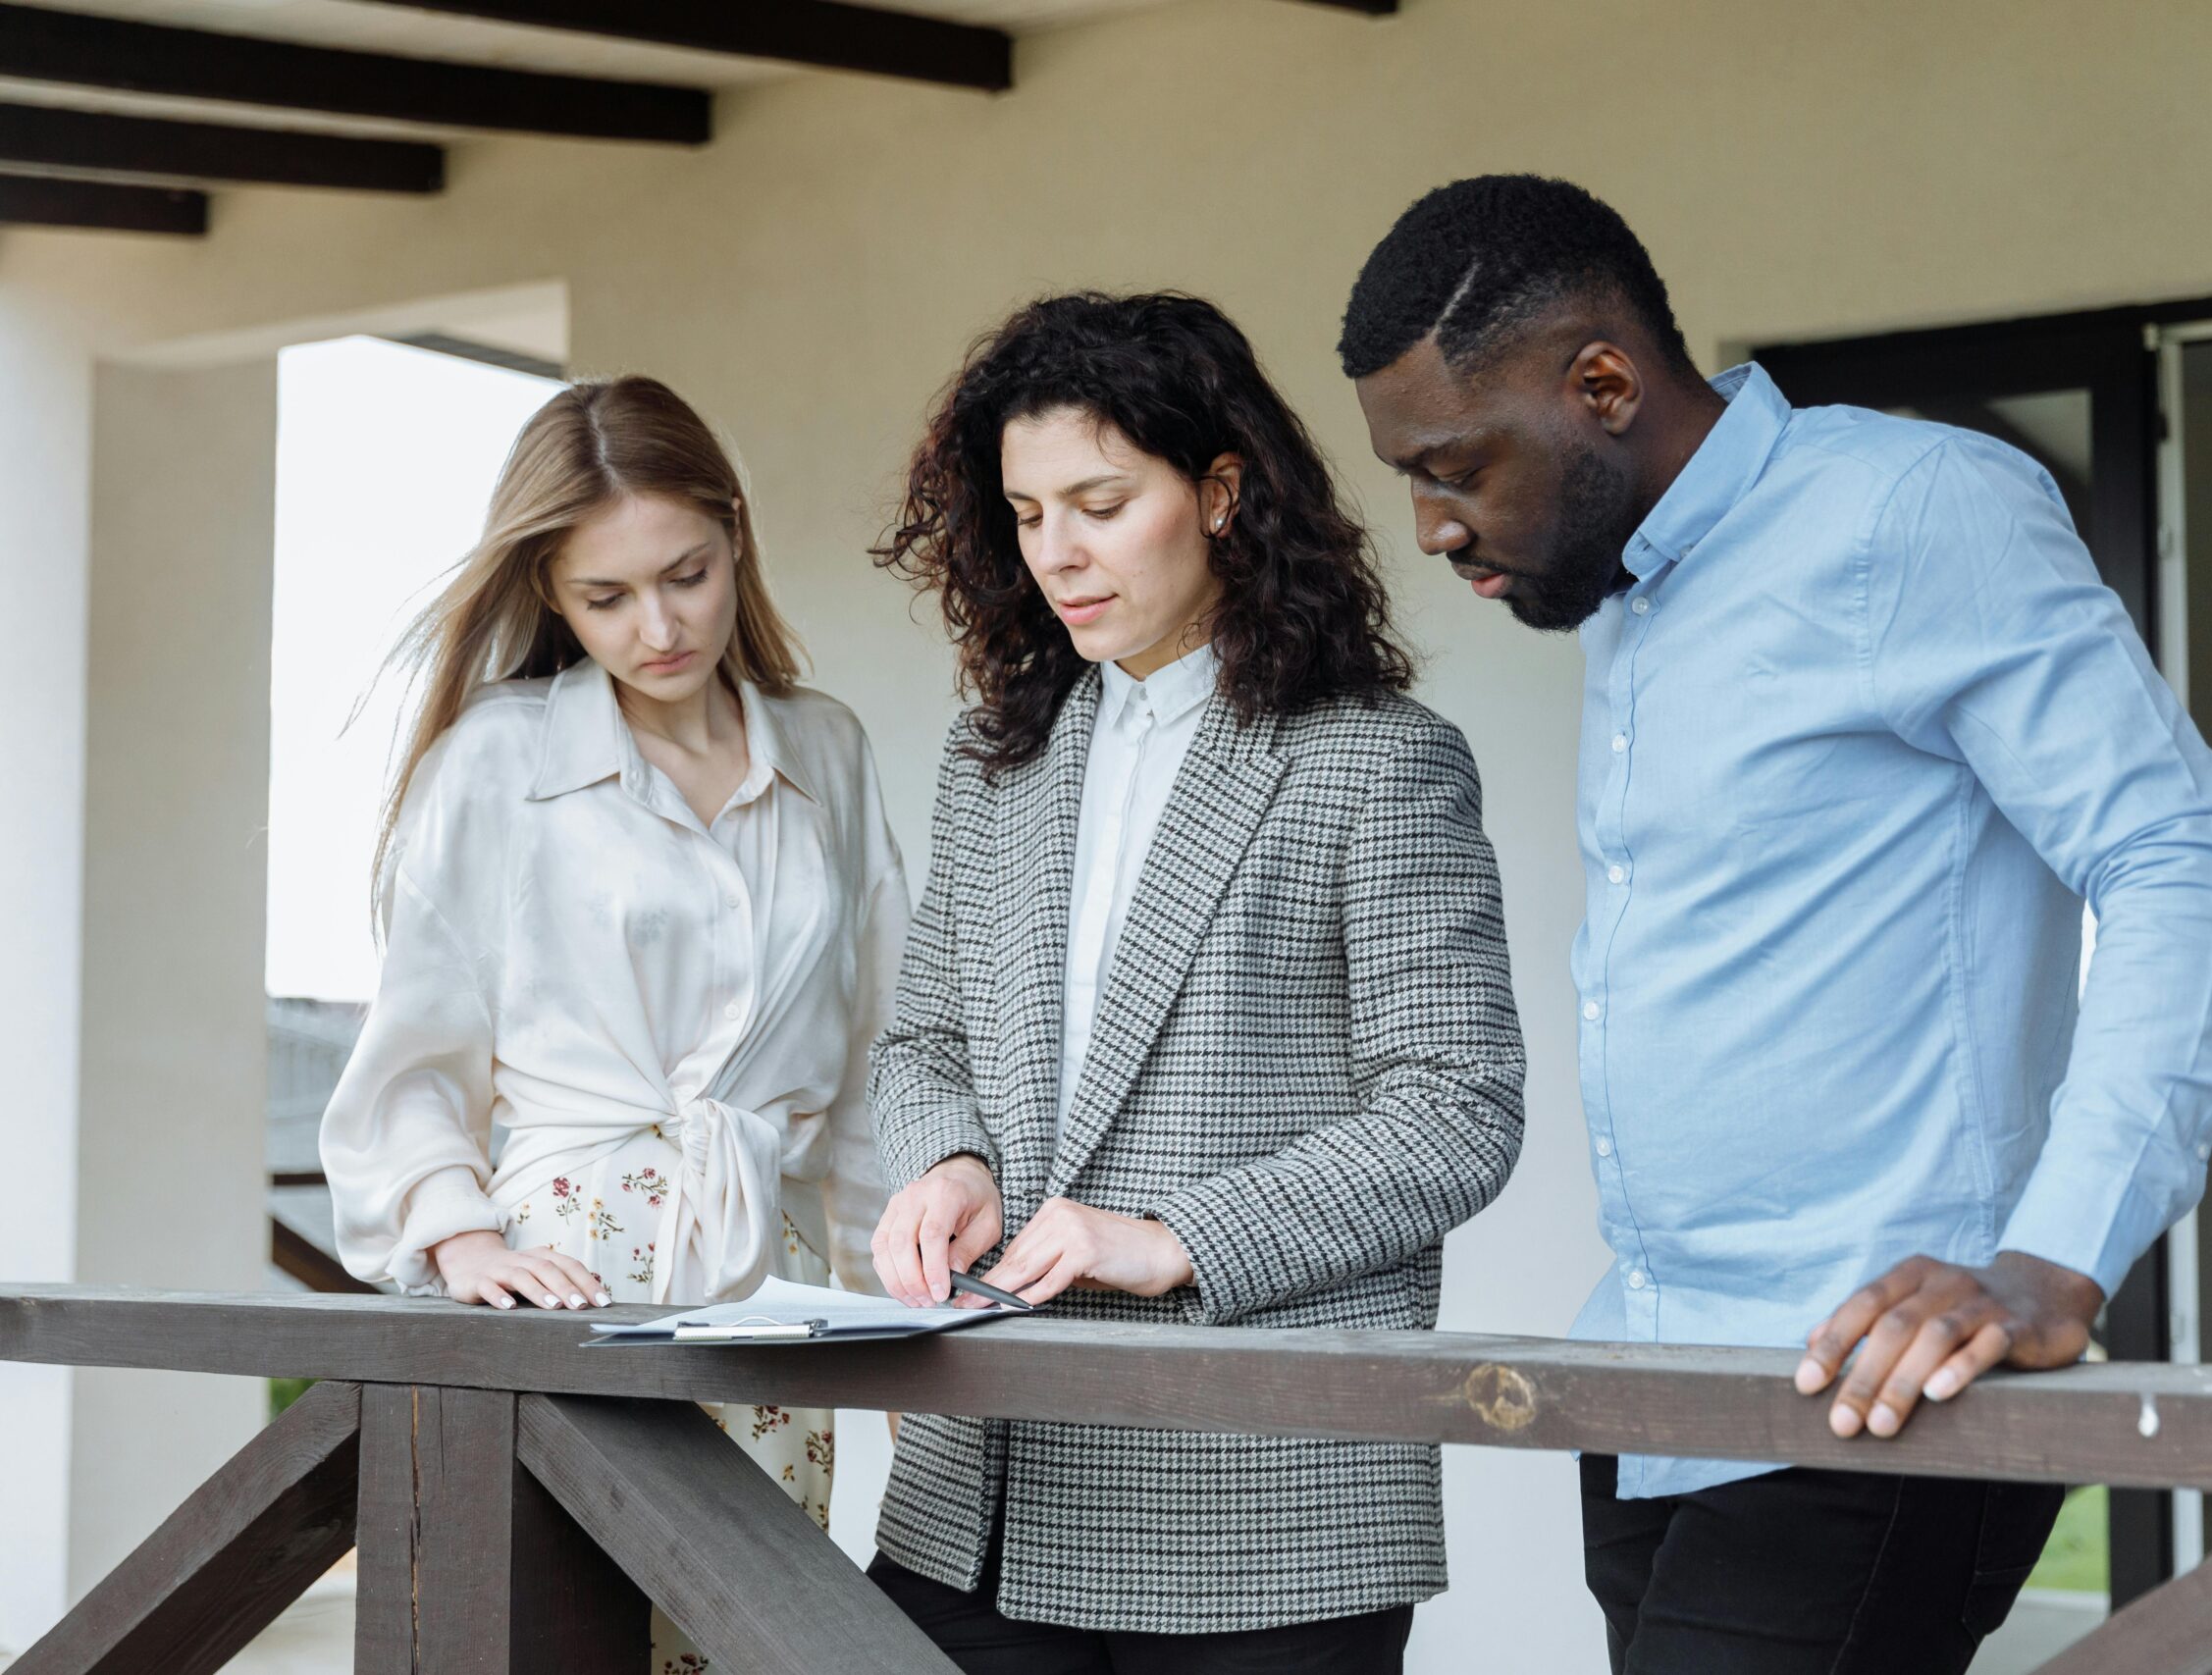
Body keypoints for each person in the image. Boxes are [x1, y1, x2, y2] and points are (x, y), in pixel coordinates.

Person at [1340, 176, 2212, 1672]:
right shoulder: (1636, 595)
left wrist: (2057, 1255)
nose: (1432, 526)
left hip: (1876, 1388)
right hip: (1656, 1380)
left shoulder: (1912, 511)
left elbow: (2184, 857)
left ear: (1602, 384)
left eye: (1456, 465)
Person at [862, 290, 1525, 1674]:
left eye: (1101, 502)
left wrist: (1172, 1235)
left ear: (1221, 491)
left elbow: (1459, 1111)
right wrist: (951, 1161)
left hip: (1262, 1507)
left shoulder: (1381, 763)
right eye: (1029, 513)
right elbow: (922, 1038)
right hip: (976, 1493)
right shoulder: (998, 761)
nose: (1059, 553)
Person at [319, 375, 907, 1673]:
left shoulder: (828, 753)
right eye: (606, 598)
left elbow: (873, 1056)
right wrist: (457, 1227)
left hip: (771, 1287)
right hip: (566, 1266)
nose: (658, 626)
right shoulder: (497, 761)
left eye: (685, 574)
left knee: (743, 1642)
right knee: (561, 1641)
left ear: (734, 535)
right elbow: (416, 1045)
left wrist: (902, 1298)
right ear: (549, 597)